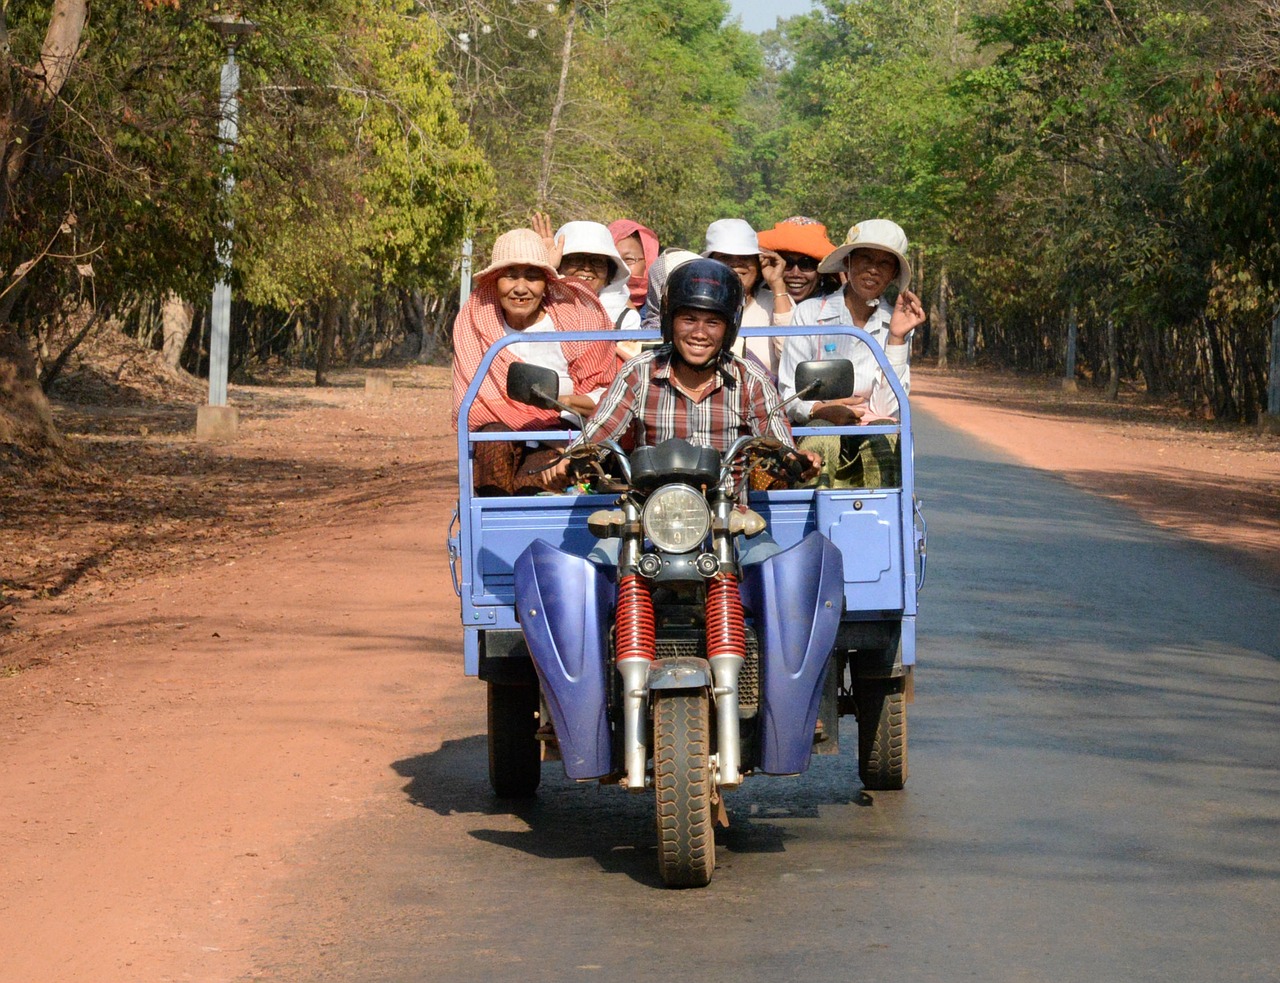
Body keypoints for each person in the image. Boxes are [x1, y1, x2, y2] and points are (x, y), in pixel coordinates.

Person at [571, 258, 821, 487]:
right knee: (601, 526)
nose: (699, 333)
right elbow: (600, 430)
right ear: (669, 321)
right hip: (652, 508)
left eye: (713, 323)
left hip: (728, 510)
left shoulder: (751, 379)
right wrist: (572, 459)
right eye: (688, 320)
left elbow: (777, 442)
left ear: (729, 329)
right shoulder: (639, 371)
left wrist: (796, 460)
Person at [451, 226, 617, 495]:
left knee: (533, 482)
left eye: (532, 277)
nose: (520, 288)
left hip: (564, 437)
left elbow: (607, 394)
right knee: (492, 442)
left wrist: (561, 406)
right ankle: (490, 518)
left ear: (546, 283)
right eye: (510, 276)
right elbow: (474, 406)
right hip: (499, 439)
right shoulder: (476, 323)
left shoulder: (577, 322)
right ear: (495, 281)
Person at [777, 219, 927, 487]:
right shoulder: (810, 314)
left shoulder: (895, 323)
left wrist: (896, 337)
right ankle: (816, 511)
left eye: (884, 263)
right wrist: (821, 410)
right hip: (815, 427)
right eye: (865, 259)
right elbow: (789, 394)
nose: (873, 270)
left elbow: (887, 409)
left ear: (893, 274)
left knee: (885, 436)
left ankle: (880, 512)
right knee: (822, 434)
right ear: (848, 263)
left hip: (870, 429)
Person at [702, 218, 793, 381]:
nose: (736, 264)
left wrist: (777, 285)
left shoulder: (775, 302)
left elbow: (791, 356)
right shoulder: (698, 303)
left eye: (745, 257)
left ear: (758, 265)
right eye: (725, 257)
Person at [756, 216, 839, 306]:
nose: (795, 273)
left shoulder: (834, 306)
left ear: (820, 273)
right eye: (787, 263)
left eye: (806, 265)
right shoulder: (758, 304)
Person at [608, 219, 660, 318]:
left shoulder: (663, 308)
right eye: (613, 260)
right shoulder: (592, 307)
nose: (620, 267)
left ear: (648, 261)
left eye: (628, 259)